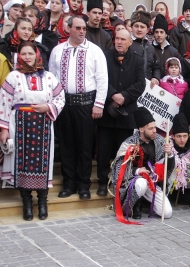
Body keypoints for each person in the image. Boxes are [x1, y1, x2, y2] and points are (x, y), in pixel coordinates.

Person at [0, 41, 65, 220]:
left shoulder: (49, 77)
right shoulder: (13, 77)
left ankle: (42, 203)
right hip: (19, 125)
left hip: (43, 125)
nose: (28, 57)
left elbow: (60, 97)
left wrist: (48, 106)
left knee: (42, 164)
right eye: (24, 54)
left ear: (37, 55)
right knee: (22, 164)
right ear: (19, 56)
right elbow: (4, 103)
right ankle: (26, 203)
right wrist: (3, 129)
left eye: (30, 53)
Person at [49, 16, 108, 200]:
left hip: (86, 104)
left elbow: (102, 79)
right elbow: (52, 78)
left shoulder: (95, 51)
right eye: (78, 28)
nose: (82, 31)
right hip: (64, 103)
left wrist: (98, 104)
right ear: (69, 29)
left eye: (84, 28)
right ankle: (69, 183)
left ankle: (83, 185)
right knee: (67, 145)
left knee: (84, 146)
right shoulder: (58, 51)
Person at [96, 29, 145, 197]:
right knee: (103, 151)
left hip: (127, 115)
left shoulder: (138, 61)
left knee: (122, 152)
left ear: (130, 42)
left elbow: (140, 85)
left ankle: (120, 182)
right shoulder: (105, 56)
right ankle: (102, 182)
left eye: (123, 39)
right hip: (107, 113)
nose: (119, 42)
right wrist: (113, 95)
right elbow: (100, 78)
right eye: (117, 38)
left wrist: (124, 96)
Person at [111, 107, 175, 220]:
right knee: (141, 183)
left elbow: (167, 167)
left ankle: (147, 202)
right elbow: (118, 168)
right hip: (134, 181)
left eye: (155, 127)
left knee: (167, 213)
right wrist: (137, 171)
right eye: (150, 128)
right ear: (141, 129)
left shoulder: (160, 140)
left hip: (152, 181)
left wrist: (169, 155)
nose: (154, 130)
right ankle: (133, 206)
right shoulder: (129, 143)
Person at [130, 10, 160, 88]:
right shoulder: (126, 44)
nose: (139, 29)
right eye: (136, 26)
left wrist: (155, 78)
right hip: (130, 88)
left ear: (147, 29)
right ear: (131, 28)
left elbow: (156, 67)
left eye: (142, 27)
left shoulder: (151, 48)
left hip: (146, 89)